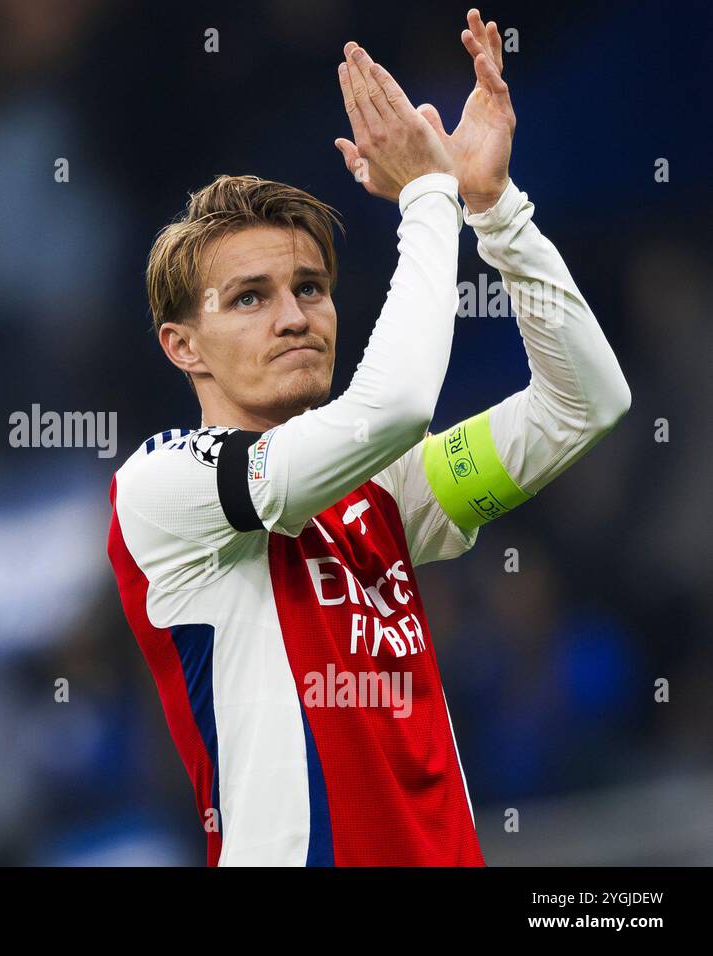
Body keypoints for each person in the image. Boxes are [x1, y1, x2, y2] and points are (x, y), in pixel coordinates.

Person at [106, 9, 630, 866]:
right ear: (181, 346)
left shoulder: (382, 495)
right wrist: (430, 195)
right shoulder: (165, 488)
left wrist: (496, 210)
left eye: (311, 287)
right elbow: (390, 411)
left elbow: (585, 402)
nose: (292, 317)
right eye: (249, 297)